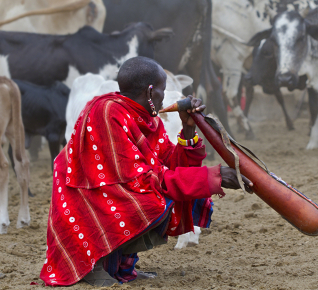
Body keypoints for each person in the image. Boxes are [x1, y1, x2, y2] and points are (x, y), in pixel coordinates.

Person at [40, 56, 253, 287]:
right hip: (84, 198)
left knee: (169, 195)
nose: (166, 96)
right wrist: (215, 176)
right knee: (153, 201)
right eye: (163, 90)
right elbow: (142, 181)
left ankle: (123, 266)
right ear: (151, 92)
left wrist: (188, 128)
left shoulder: (144, 117)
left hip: (111, 191)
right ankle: (94, 266)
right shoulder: (107, 113)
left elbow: (171, 164)